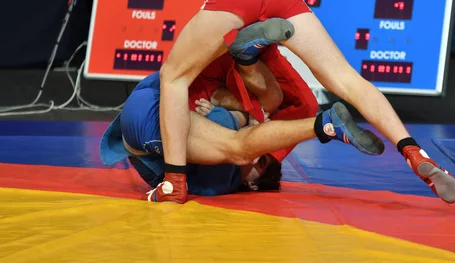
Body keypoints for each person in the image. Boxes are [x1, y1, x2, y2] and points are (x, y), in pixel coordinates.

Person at [154, 0, 455, 205]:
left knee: (172, 76)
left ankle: (173, 182)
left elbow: (181, 86)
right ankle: (413, 150)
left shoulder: (222, 0)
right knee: (346, 79)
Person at [100, 47, 383, 197]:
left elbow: (226, 130)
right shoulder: (217, 168)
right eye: (264, 157)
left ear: (253, 185)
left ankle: (321, 123)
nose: (259, 154)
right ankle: (251, 58)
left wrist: (235, 118)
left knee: (239, 144)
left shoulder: (221, 181)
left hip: (145, 117)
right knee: (265, 111)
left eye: (260, 163)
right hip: (155, 97)